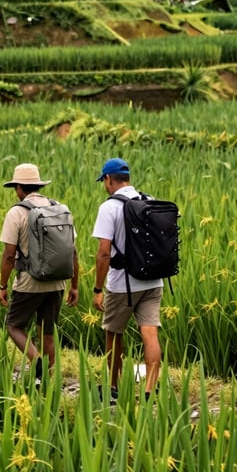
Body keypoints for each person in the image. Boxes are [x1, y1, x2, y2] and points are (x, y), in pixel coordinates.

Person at [0, 163, 79, 383]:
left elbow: (8, 255)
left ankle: (36, 361)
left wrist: (2, 286)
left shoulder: (17, 212)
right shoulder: (60, 209)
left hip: (29, 281)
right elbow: (73, 252)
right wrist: (74, 286)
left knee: (14, 326)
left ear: (19, 188)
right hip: (57, 283)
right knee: (47, 332)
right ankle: (49, 381)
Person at [92, 158, 163, 401]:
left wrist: (97, 288)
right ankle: (150, 389)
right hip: (153, 280)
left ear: (109, 179)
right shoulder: (150, 201)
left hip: (123, 283)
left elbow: (103, 252)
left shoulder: (109, 207)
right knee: (150, 332)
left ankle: (113, 387)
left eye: (104, 181)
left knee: (113, 332)